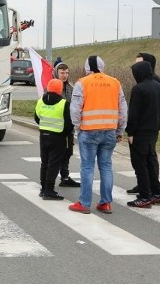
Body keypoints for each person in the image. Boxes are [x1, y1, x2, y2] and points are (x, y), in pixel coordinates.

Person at [68, 55, 127, 214]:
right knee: (106, 166)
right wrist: (120, 130)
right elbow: (123, 110)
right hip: (109, 131)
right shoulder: (115, 83)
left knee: (87, 167)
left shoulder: (82, 83)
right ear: (102, 66)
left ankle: (84, 203)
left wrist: (78, 127)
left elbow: (75, 109)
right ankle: (106, 203)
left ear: (87, 68)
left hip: (89, 131)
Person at [125, 60, 160, 208]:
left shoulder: (138, 89)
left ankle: (144, 196)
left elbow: (134, 113)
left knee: (140, 165)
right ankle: (156, 193)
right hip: (153, 131)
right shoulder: (158, 87)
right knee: (151, 163)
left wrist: (130, 131)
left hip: (140, 133)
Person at [35, 78, 73, 200]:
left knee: (45, 163)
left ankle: (43, 188)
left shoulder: (40, 101)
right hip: (58, 137)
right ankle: (49, 190)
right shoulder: (64, 103)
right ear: (60, 89)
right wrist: (67, 133)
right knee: (54, 164)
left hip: (43, 135)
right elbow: (69, 123)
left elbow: (37, 118)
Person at [52, 58, 79, 188]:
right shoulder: (52, 88)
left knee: (67, 152)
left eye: (67, 73)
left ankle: (65, 177)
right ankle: (49, 180)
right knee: (56, 155)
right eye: (62, 73)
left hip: (69, 128)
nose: (65, 75)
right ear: (57, 73)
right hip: (56, 129)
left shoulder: (71, 88)